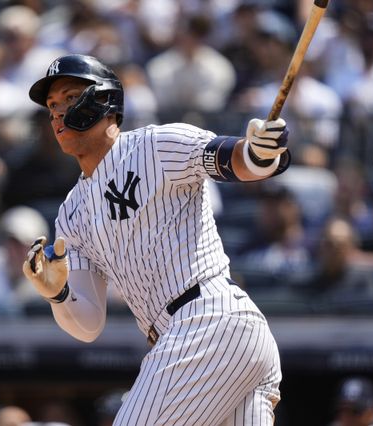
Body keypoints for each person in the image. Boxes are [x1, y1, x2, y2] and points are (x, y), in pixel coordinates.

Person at [22, 54, 289, 425]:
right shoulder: (71, 211)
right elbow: (88, 324)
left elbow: (237, 160)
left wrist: (260, 151)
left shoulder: (156, 145)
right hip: (197, 338)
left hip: (209, 320)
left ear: (104, 100)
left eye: (69, 98)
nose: (57, 113)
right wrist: (58, 294)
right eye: (52, 105)